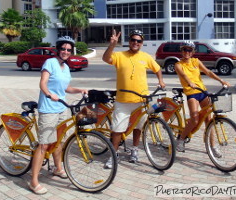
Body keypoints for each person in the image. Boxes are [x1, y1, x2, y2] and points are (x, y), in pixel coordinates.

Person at [29, 36, 88, 195]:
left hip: (62, 108)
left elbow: (65, 88)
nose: (66, 52)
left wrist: (79, 90)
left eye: (69, 50)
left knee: (59, 140)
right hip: (48, 108)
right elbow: (43, 82)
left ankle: (57, 168)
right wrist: (48, 94)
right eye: (63, 49)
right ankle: (34, 181)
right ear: (58, 49)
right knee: (44, 144)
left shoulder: (66, 67)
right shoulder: (50, 62)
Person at [102, 29, 166, 168]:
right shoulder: (119, 55)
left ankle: (134, 150)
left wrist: (160, 80)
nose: (135, 42)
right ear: (129, 41)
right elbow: (106, 59)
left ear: (142, 43)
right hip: (123, 100)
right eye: (133, 40)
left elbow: (157, 69)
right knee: (118, 129)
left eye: (139, 41)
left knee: (138, 127)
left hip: (141, 100)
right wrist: (112, 44)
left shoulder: (146, 56)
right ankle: (114, 154)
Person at [174, 40, 230, 156]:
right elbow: (183, 75)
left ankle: (212, 146)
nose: (187, 52)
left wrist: (221, 80)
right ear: (181, 51)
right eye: (184, 49)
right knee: (194, 119)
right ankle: (181, 139)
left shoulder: (195, 61)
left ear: (193, 52)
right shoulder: (178, 64)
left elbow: (208, 72)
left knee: (209, 120)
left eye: (189, 50)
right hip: (191, 93)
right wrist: (189, 82)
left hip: (202, 92)